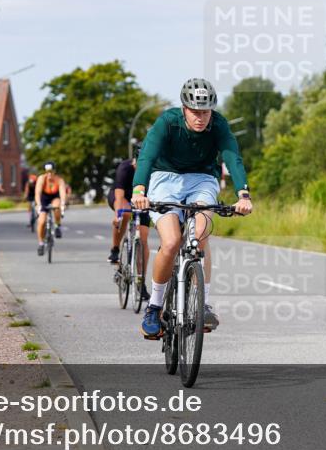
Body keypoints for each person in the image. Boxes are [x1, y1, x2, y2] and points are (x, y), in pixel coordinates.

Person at [131, 78, 253, 339]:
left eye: (205, 112)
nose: (200, 118)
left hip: (202, 180)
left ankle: (204, 305)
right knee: (172, 241)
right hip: (164, 178)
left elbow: (232, 156)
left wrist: (243, 194)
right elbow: (147, 157)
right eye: (195, 112)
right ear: (184, 108)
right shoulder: (167, 122)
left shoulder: (218, 125)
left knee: (200, 235)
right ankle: (154, 307)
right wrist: (139, 190)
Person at [108, 141, 151, 302]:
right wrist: (117, 215)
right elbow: (119, 196)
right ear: (135, 160)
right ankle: (115, 248)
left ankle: (141, 281)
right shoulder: (125, 168)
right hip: (123, 197)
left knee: (144, 240)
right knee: (125, 215)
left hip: (142, 200)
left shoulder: (153, 169)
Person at [35, 161, 70, 256]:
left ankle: (57, 225)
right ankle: (41, 243)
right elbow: (37, 193)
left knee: (57, 206)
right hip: (44, 198)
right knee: (41, 221)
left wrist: (63, 204)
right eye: (47, 172)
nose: (49, 174)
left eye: (51, 171)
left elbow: (63, 193)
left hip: (55, 197)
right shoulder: (41, 179)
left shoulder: (59, 180)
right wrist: (38, 205)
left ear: (54, 171)